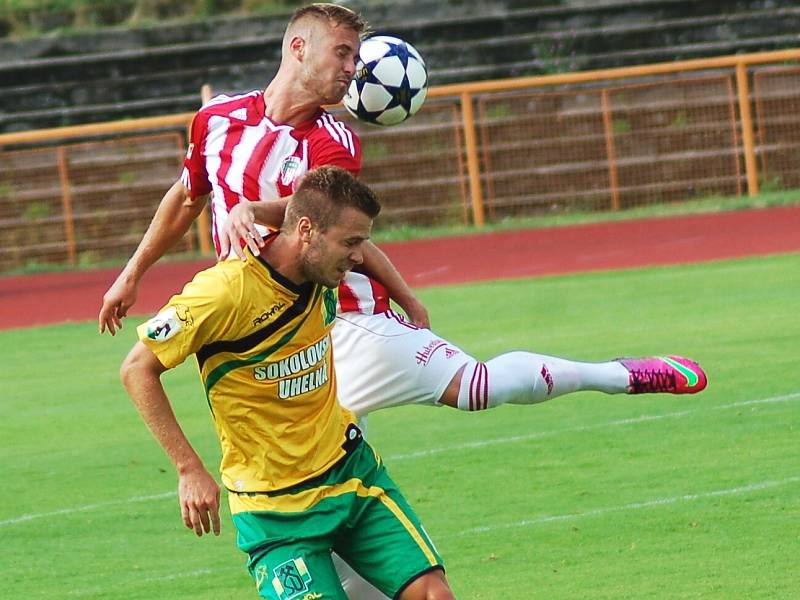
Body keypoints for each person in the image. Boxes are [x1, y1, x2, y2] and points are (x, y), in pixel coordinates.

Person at [100, 3, 707, 598]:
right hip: (260, 341)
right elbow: (185, 196)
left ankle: (619, 375)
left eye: (359, 59)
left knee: (473, 387)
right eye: (343, 54)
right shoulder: (217, 120)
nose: (353, 70)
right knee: (333, 521)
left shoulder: (334, 141)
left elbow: (309, 212)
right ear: (297, 47)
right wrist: (132, 274)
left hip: (344, 322)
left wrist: (253, 213)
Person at [120, 166, 455, 600]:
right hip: (274, 512)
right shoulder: (224, 293)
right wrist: (188, 469)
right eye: (351, 243)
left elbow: (307, 204)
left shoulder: (322, 271)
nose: (359, 257)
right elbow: (136, 369)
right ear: (305, 231)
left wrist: (407, 297)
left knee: (434, 595)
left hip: (350, 477)